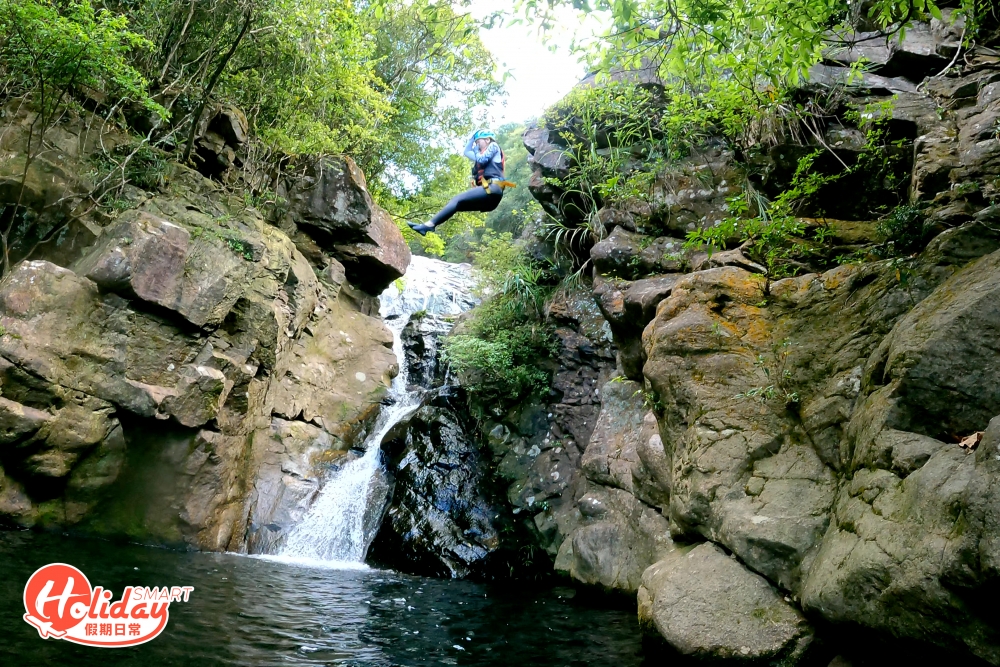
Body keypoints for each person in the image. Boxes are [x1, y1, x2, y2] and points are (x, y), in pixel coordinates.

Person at [408, 129, 515, 236]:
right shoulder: (480, 153)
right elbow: (467, 152)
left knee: (456, 199)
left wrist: (476, 150)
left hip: (493, 187)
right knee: (457, 204)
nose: (476, 145)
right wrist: (472, 138)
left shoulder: (493, 146)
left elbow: (482, 159)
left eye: (478, 142)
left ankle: (428, 225)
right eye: (476, 143)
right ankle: (428, 226)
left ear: (487, 140)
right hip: (490, 196)